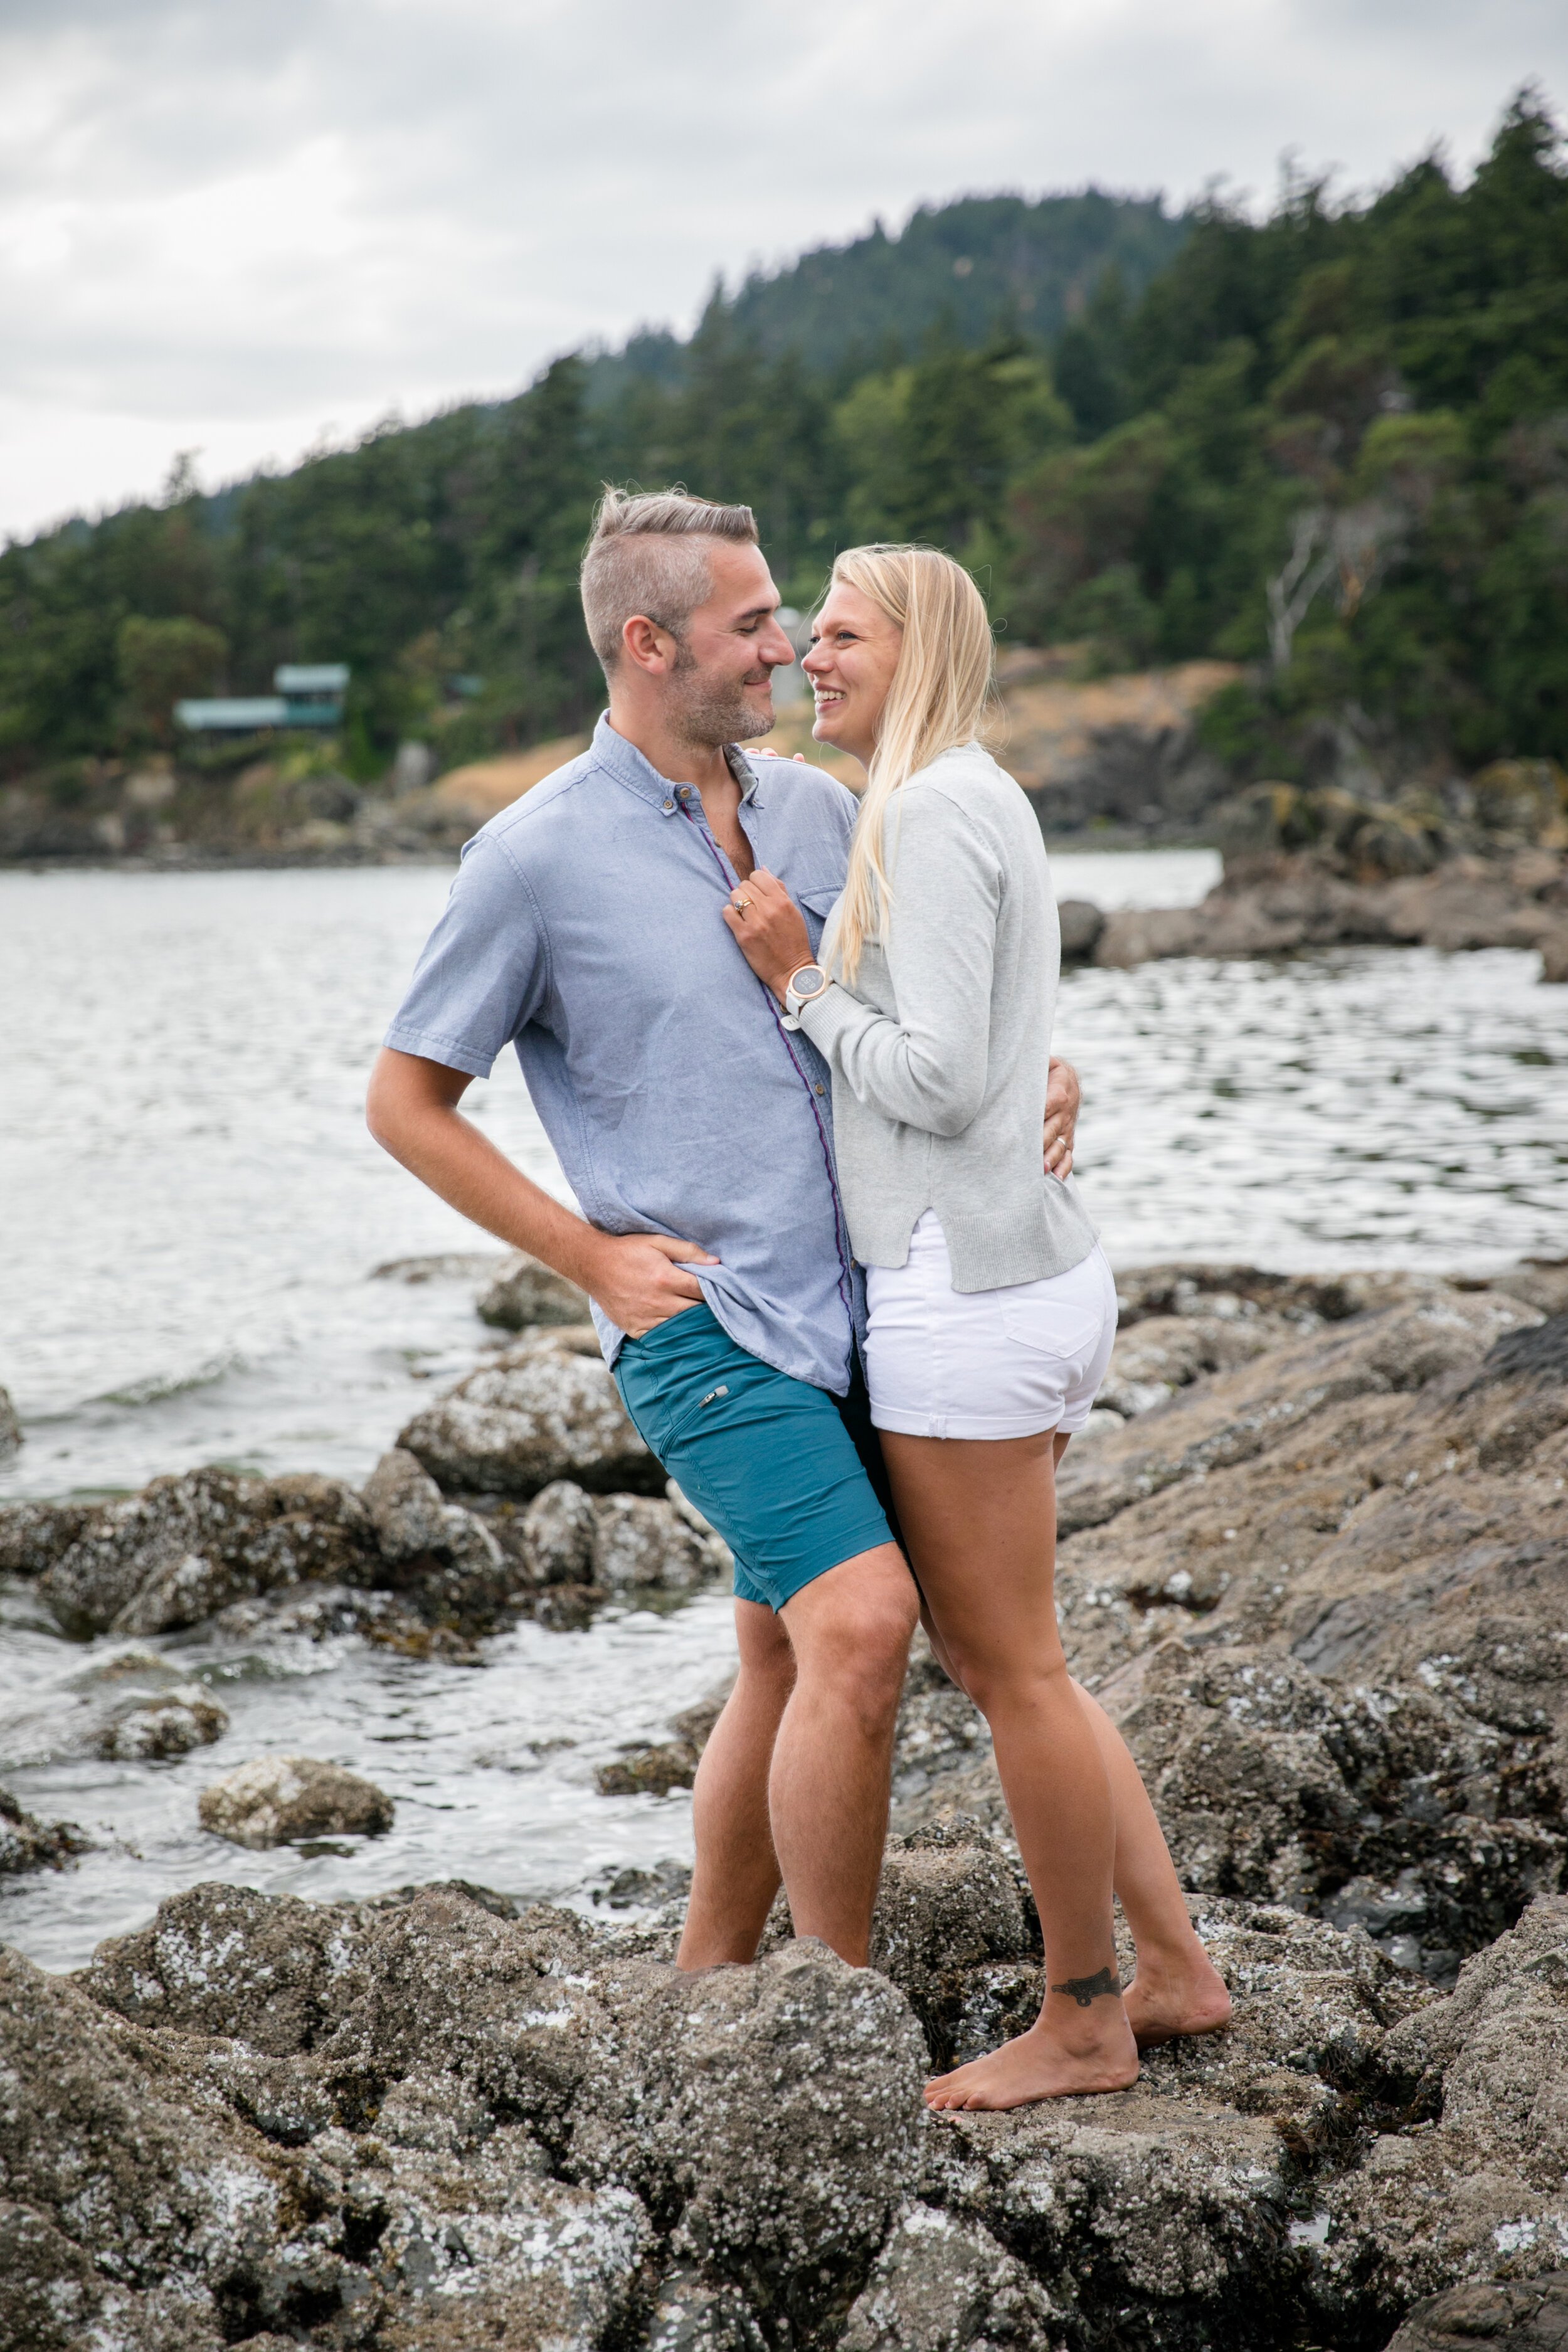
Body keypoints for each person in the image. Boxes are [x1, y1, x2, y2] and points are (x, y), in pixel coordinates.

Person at [366, 487, 1078, 1976]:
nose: (786, 652)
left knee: (774, 1652)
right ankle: (830, 2015)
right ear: (646, 643)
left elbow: (933, 1023)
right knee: (864, 1629)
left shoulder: (827, 808)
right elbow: (405, 1102)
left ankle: (708, 1973)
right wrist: (591, 1261)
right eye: (752, 624)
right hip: (711, 1329)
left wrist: (1039, 1088)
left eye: (787, 621)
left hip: (872, 1309)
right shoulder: (530, 859)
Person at [723, 543, 1231, 2108]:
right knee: (1032, 1671)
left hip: (965, 1288)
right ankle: (1173, 1972)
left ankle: (1082, 2022)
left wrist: (797, 982)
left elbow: (939, 1078)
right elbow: (1003, 1051)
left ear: (919, 647)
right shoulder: (964, 793)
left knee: (1013, 1676)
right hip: (1017, 1270)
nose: (813, 654)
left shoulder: (932, 806)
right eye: (805, 631)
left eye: (842, 634)